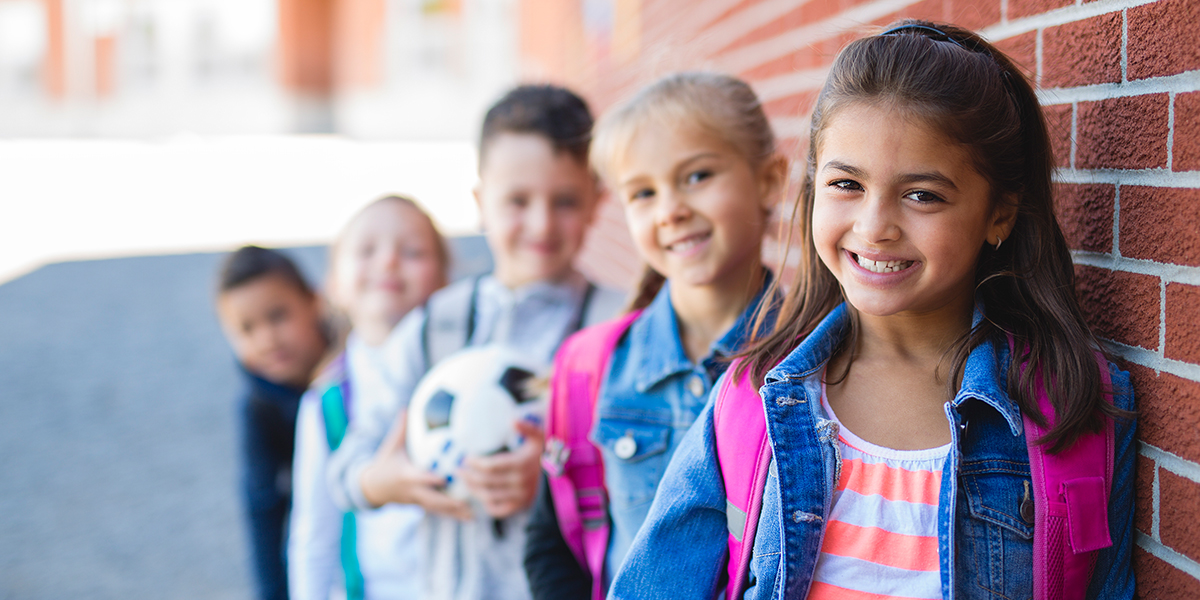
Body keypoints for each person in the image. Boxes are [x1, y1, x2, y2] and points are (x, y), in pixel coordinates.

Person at [609, 21, 1136, 600]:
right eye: (846, 185)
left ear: (999, 215)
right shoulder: (750, 400)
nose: (874, 226)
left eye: (922, 195)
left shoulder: (1074, 406)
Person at [325, 85, 626, 600]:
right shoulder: (435, 326)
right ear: (479, 202)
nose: (541, 223)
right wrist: (387, 480)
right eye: (517, 200)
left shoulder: (616, 326)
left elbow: (643, 476)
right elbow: (347, 470)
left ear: (597, 202)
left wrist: (557, 481)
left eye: (565, 201)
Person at [523, 72, 786, 599]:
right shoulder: (591, 367)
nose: (670, 210)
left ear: (768, 181)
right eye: (643, 192)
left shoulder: (816, 364)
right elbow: (551, 546)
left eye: (696, 176)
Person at [288, 195, 449, 600]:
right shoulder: (325, 405)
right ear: (334, 286)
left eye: (412, 251)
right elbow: (314, 534)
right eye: (366, 250)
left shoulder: (461, 378)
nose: (389, 262)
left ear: (444, 283)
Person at [216, 245, 330, 600]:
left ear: (314, 302)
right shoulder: (258, 407)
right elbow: (263, 509)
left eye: (278, 316)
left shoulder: (358, 365)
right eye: (247, 329)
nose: (267, 339)